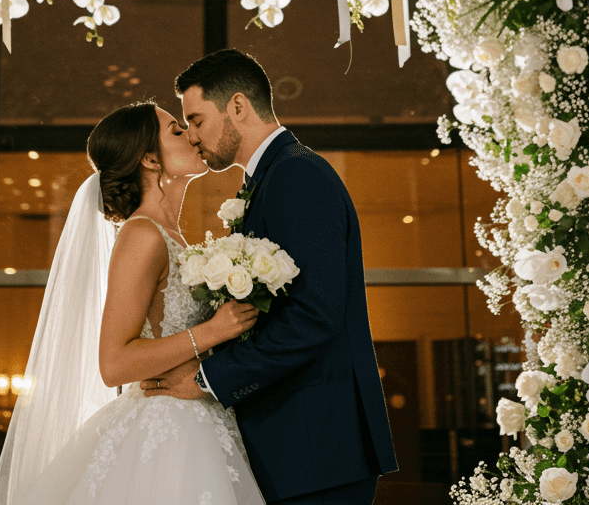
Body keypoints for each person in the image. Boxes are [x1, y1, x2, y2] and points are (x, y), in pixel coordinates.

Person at [141, 48, 398, 505]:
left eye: (197, 120)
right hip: (298, 447)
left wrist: (207, 379)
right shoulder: (270, 178)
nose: (193, 137)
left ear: (237, 106)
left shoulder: (296, 174)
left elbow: (313, 317)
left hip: (317, 448)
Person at [0, 99, 267, 505]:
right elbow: (114, 363)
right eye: (176, 130)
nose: (191, 135)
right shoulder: (143, 235)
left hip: (199, 415)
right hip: (166, 432)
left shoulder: (172, 235)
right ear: (150, 160)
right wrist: (212, 331)